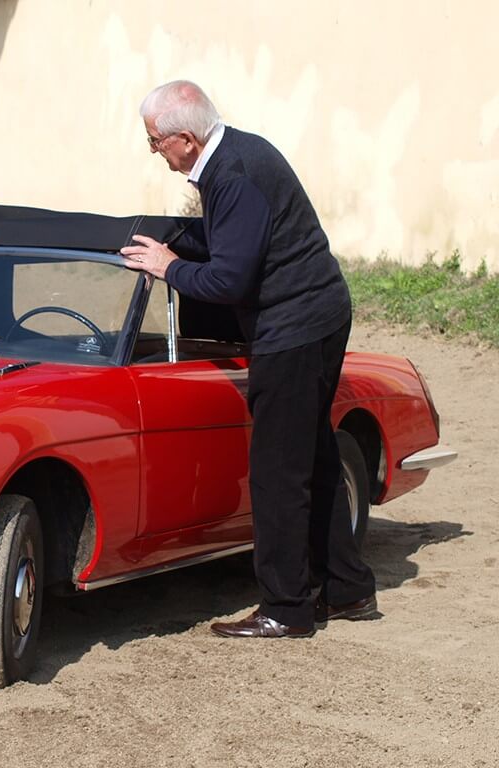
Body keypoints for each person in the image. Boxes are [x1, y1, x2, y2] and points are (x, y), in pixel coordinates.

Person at [121, 80, 376, 638]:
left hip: (296, 326)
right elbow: (228, 244)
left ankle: (286, 609)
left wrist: (168, 267)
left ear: (184, 139)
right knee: (313, 457)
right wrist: (173, 244)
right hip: (318, 314)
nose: (155, 152)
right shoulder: (237, 153)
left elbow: (229, 276)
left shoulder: (231, 175)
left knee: (278, 473)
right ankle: (348, 589)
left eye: (154, 142)